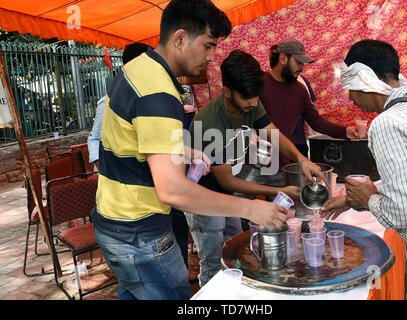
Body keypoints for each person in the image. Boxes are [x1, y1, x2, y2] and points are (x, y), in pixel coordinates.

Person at [91, 0, 289, 300]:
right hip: (140, 232)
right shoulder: (158, 92)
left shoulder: (137, 69)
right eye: (208, 46)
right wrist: (252, 207)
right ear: (180, 38)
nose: (211, 57)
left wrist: (182, 148)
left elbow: (132, 138)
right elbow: (172, 190)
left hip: (115, 223)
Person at [319, 39, 407, 300]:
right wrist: (352, 200)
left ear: (363, 78)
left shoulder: (386, 123)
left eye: (349, 87)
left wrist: (369, 199)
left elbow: (402, 212)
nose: (350, 98)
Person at [185, 49, 326, 287]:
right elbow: (227, 181)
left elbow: (272, 133)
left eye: (256, 97)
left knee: (233, 249)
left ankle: (234, 295)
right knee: (212, 261)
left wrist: (302, 160)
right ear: (227, 91)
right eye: (247, 98)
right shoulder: (209, 124)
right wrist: (274, 192)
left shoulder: (251, 101)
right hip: (203, 197)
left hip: (224, 195)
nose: (253, 103)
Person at [86, 42, 192, 269]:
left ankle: (179, 267)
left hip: (162, 189)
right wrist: (110, 168)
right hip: (136, 204)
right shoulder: (111, 101)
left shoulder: (156, 94)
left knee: (178, 232)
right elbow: (95, 139)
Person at [236, 39, 359, 193]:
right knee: (243, 211)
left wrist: (344, 131)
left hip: (281, 167)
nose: (302, 66)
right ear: (283, 59)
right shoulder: (257, 85)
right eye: (299, 61)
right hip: (249, 165)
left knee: (283, 212)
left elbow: (316, 121)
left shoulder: (300, 90)